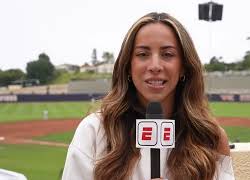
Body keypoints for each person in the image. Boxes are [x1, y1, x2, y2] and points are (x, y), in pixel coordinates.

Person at [62, 12, 235, 180]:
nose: (155, 66)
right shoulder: (95, 131)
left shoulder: (211, 137)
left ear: (183, 67)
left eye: (167, 54)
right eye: (143, 54)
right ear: (128, 66)